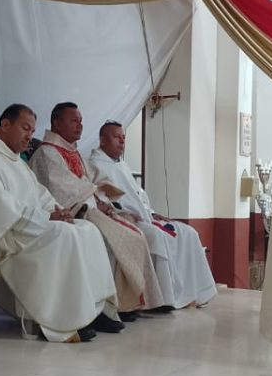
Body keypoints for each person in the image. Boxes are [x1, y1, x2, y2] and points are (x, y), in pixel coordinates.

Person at [0, 104, 120, 342]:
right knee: (66, 235)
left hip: (28, 227)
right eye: (25, 128)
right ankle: (64, 318)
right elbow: (0, 208)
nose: (30, 135)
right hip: (6, 236)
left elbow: (40, 195)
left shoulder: (16, 161)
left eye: (32, 130)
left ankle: (93, 310)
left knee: (87, 229)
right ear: (5, 125)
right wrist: (46, 218)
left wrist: (58, 211)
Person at [29, 102, 164, 318]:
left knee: (133, 233)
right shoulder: (47, 153)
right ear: (56, 123)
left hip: (89, 208)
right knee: (112, 240)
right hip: (71, 213)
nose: (80, 126)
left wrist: (101, 199)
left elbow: (93, 182)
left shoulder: (75, 154)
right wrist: (93, 198)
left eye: (81, 121)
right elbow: (60, 188)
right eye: (74, 121)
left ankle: (123, 303)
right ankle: (104, 307)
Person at [89, 121, 218, 309]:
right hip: (123, 219)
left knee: (188, 232)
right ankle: (165, 298)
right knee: (157, 236)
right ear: (102, 139)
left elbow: (138, 195)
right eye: (117, 137)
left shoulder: (121, 165)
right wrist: (128, 213)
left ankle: (194, 292)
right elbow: (102, 197)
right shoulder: (95, 165)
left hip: (145, 217)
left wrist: (152, 213)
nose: (122, 141)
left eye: (123, 137)